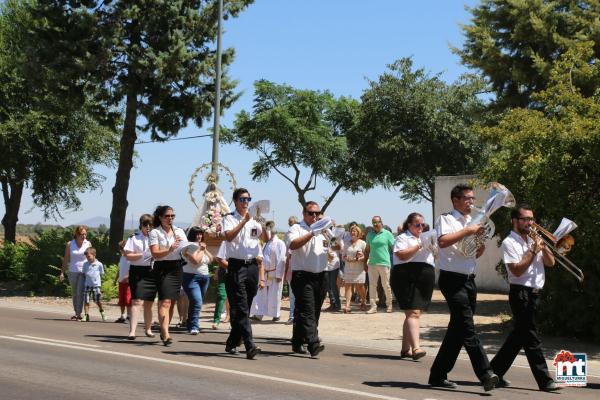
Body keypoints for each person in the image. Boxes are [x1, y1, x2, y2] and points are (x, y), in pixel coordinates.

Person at [428, 184, 499, 391]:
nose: (472, 202)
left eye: (473, 198)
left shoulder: (472, 221)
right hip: (451, 279)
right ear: (456, 200)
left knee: (457, 330)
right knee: (468, 328)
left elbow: (474, 253)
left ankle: (438, 375)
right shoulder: (446, 219)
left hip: (469, 279)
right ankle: (486, 374)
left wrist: (480, 243)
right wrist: (468, 230)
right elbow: (442, 241)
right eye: (468, 198)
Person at [490, 204, 560, 392]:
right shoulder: (509, 243)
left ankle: (493, 371)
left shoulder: (534, 239)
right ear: (515, 221)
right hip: (521, 293)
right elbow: (517, 270)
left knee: (518, 336)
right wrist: (533, 251)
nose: (530, 223)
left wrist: (543, 248)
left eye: (531, 219)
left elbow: (551, 263)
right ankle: (545, 380)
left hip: (535, 293)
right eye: (526, 219)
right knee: (530, 337)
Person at [222, 188, 265, 359]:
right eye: (242, 199)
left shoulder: (254, 220)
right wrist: (243, 222)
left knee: (244, 308)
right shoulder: (229, 218)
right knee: (240, 306)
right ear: (235, 201)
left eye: (248, 199)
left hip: (252, 266)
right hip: (236, 266)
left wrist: (261, 222)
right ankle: (249, 345)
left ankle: (232, 342)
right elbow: (229, 237)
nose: (245, 202)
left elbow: (266, 237)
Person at [391, 212, 435, 361]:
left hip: (424, 274)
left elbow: (436, 257)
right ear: (409, 225)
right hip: (406, 275)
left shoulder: (426, 238)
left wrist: (432, 246)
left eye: (423, 225)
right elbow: (402, 255)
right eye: (417, 224)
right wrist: (420, 245)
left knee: (414, 313)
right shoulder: (403, 238)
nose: (421, 227)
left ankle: (405, 349)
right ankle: (416, 348)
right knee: (413, 313)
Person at [288, 201, 329, 358]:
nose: (315, 216)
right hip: (302, 275)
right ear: (304, 214)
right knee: (308, 310)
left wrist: (333, 240)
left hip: (321, 275)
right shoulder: (296, 228)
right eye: (311, 213)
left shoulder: (323, 230)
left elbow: (336, 246)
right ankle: (313, 343)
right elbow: (292, 245)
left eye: (317, 214)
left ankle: (297, 341)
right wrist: (312, 232)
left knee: (312, 311)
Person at [149, 205, 187, 347]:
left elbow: (185, 248)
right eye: (167, 216)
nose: (170, 218)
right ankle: (165, 333)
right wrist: (169, 249)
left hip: (176, 268)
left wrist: (192, 248)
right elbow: (155, 253)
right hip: (162, 268)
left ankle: (165, 328)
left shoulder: (179, 231)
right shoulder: (155, 233)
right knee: (164, 301)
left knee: (171, 302)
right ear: (160, 217)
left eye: (172, 216)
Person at [124, 214, 156, 340]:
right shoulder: (134, 238)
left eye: (150, 225)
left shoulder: (156, 238)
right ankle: (132, 331)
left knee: (149, 302)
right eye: (145, 224)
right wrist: (142, 255)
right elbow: (127, 255)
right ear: (141, 225)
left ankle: (148, 329)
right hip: (137, 271)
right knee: (136, 301)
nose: (148, 227)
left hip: (152, 271)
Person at [250, 221, 287, 321]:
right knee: (261, 294)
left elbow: (282, 259)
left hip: (275, 273)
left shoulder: (280, 243)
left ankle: (275, 314)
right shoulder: (267, 243)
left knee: (274, 294)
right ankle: (259, 313)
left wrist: (279, 274)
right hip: (265, 272)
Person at [181, 226, 213, 334]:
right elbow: (195, 261)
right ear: (192, 235)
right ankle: (194, 326)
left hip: (204, 277)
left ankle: (190, 323)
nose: (199, 236)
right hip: (191, 277)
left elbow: (211, 259)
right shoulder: (189, 246)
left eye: (200, 234)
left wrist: (204, 249)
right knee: (197, 302)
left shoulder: (201, 246)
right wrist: (201, 249)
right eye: (197, 234)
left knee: (195, 302)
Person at [60, 225, 91, 321]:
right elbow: (66, 258)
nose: (84, 236)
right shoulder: (70, 244)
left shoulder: (88, 244)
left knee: (80, 292)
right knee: (74, 293)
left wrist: (92, 270)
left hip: (83, 272)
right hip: (72, 271)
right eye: (82, 234)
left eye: (85, 234)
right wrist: (62, 272)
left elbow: (91, 258)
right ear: (77, 234)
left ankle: (79, 314)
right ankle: (76, 312)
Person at [365, 216, 395, 313]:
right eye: (373, 223)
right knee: (372, 285)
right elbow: (367, 250)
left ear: (381, 222)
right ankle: (373, 307)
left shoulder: (387, 234)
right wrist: (365, 262)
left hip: (384, 263)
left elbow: (394, 247)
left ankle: (389, 305)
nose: (375, 225)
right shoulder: (369, 235)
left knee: (385, 285)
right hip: (372, 263)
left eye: (377, 222)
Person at [341, 225, 367, 313]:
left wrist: (359, 258)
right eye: (352, 231)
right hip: (348, 267)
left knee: (360, 286)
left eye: (355, 231)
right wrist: (346, 258)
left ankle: (363, 301)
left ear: (358, 233)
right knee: (348, 286)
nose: (353, 232)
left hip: (359, 268)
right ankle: (347, 306)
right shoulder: (346, 243)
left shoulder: (363, 243)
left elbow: (366, 256)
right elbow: (343, 256)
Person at [81, 247, 106, 322]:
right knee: (86, 301)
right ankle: (86, 315)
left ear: (94, 255)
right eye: (86, 257)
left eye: (89, 256)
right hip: (87, 285)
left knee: (97, 301)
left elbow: (101, 274)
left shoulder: (99, 264)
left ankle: (102, 312)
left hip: (96, 285)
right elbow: (84, 274)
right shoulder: (85, 264)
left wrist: (100, 286)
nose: (87, 258)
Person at [283, 216, 298, 325]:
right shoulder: (289, 245)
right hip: (291, 273)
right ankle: (292, 316)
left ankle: (296, 316)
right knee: (292, 296)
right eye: (290, 223)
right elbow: (287, 259)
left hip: (299, 272)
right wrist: (285, 273)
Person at [212, 241, 230, 330]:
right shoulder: (224, 243)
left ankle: (231, 319)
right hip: (223, 273)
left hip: (236, 274)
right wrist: (217, 271)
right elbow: (219, 258)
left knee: (234, 298)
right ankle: (216, 320)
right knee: (221, 295)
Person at [114, 240, 131, 323]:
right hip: (121, 281)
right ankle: (122, 315)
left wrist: (127, 277)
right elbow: (119, 269)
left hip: (128, 282)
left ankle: (129, 316)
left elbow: (132, 269)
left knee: (128, 299)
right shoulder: (122, 257)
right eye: (121, 249)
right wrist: (115, 279)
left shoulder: (130, 258)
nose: (121, 250)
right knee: (121, 299)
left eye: (122, 248)